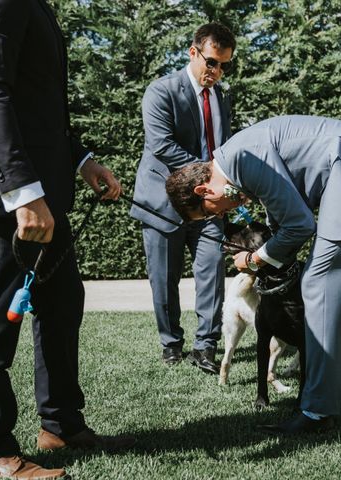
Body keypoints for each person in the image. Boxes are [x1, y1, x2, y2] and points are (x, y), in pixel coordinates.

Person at [0, 1, 131, 477]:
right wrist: (20, 194)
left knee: (64, 302)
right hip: (3, 196)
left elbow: (37, 102)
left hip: (42, 191)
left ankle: (61, 425)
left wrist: (82, 160)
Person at [165, 115, 341, 435]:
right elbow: (282, 213)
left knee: (318, 283)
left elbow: (300, 224)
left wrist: (253, 259)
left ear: (203, 189)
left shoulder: (241, 159)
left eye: (209, 211)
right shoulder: (239, 160)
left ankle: (317, 411)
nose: (220, 215)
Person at [130, 22, 236, 374]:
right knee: (164, 278)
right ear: (193, 52)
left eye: (224, 65)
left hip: (209, 206)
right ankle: (171, 343)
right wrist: (210, 170)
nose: (217, 72)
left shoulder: (222, 96)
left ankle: (206, 345)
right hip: (164, 204)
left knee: (211, 273)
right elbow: (160, 145)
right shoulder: (161, 91)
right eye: (212, 62)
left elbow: (225, 147)